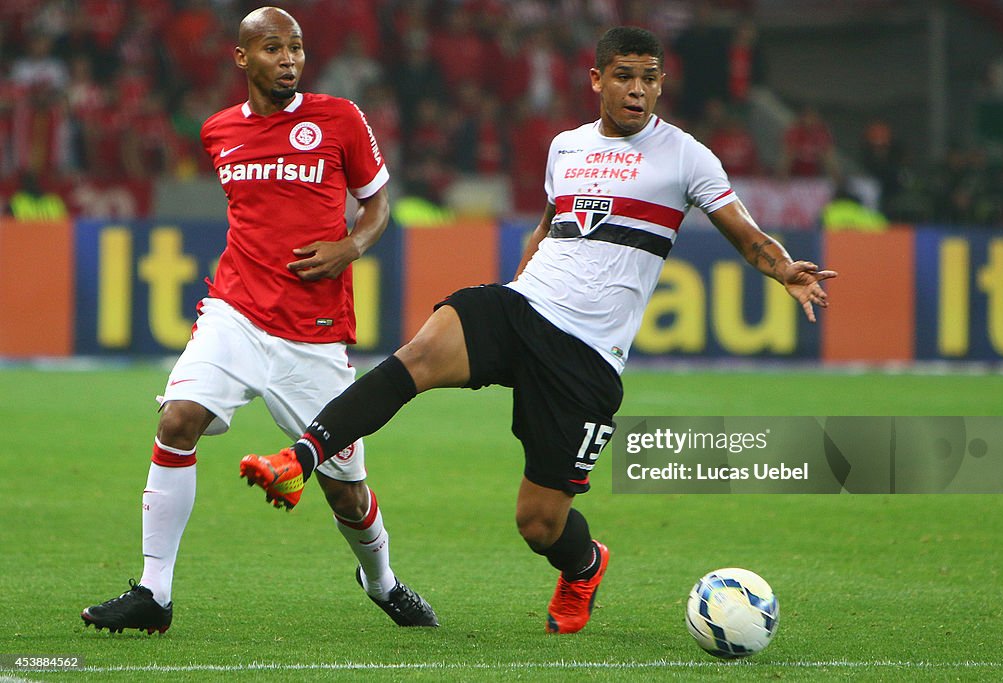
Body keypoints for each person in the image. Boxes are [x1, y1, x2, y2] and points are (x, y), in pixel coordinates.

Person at [241, 26, 835, 635]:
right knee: (418, 354)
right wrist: (515, 288)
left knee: (539, 524)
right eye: (625, 77)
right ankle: (300, 457)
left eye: (650, 79)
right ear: (597, 80)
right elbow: (550, 225)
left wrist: (784, 268)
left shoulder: (686, 156)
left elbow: (744, 231)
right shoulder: (565, 147)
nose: (638, 91)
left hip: (587, 359)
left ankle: (583, 565)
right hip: (524, 308)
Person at [81, 6, 437, 635]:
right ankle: (153, 593)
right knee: (178, 419)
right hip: (235, 313)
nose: (289, 59)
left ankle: (381, 581)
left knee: (344, 489)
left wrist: (351, 246)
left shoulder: (339, 118)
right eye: (273, 49)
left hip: (315, 334)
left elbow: (379, 200)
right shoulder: (219, 130)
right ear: (243, 58)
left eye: (296, 48)